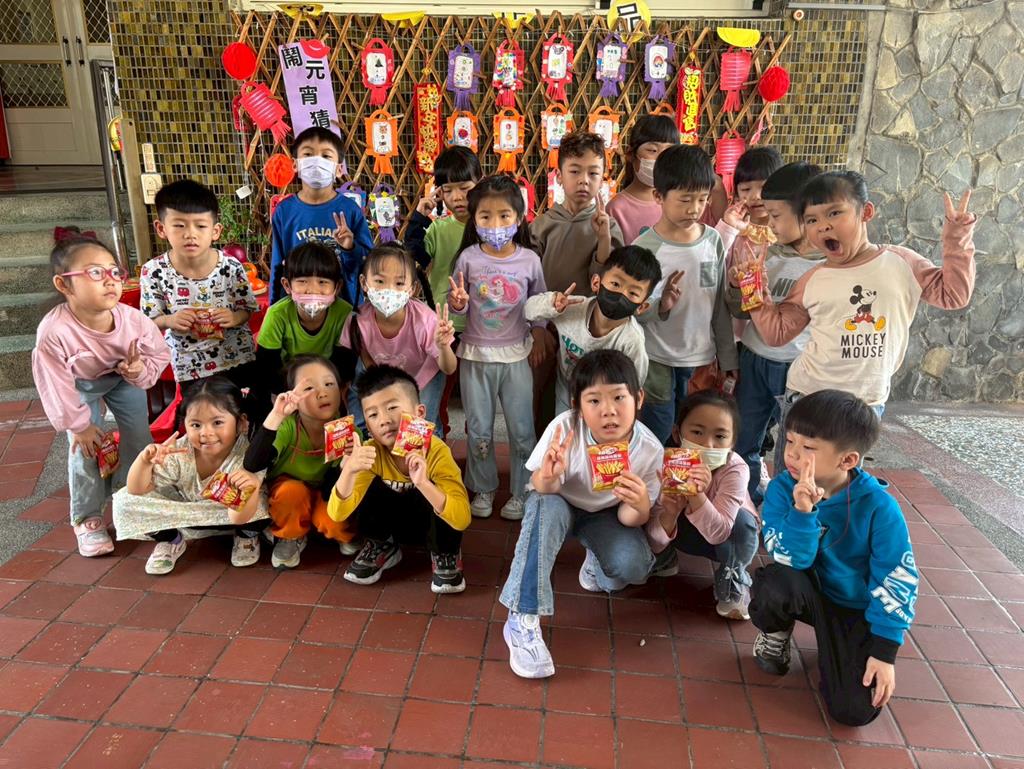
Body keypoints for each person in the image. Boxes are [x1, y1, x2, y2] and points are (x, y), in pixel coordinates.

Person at [745, 171, 976, 477]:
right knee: (792, 483)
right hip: (807, 397)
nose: (823, 225)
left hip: (864, 403)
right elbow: (777, 333)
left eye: (834, 213)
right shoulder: (813, 278)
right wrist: (756, 295)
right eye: (812, 219)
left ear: (866, 212)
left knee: (844, 486)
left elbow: (953, 294)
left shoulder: (901, 263)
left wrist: (957, 238)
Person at [750, 389, 917, 726]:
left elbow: (896, 578)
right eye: (790, 440)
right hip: (807, 590)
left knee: (853, 711)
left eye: (808, 447)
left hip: (857, 609)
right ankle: (776, 633)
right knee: (774, 582)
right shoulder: (782, 489)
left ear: (848, 460)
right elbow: (789, 559)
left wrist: (884, 652)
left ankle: (844, 650)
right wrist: (802, 512)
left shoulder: (880, 508)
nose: (792, 454)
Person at [499, 350, 662, 679]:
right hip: (558, 503)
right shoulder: (564, 429)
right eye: (594, 400)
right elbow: (541, 487)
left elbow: (629, 519)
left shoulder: (649, 450)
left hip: (605, 515)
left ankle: (594, 561)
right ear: (577, 405)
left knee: (634, 567)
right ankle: (522, 617)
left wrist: (641, 505)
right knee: (543, 504)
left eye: (619, 397)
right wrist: (548, 475)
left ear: (638, 398)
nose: (608, 411)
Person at [32, 237, 171, 558]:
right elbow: (54, 384)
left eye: (113, 271)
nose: (110, 280)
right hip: (78, 385)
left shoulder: (133, 320)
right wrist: (79, 425)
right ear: (63, 285)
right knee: (85, 448)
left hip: (122, 378)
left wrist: (138, 370)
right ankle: (87, 517)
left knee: (139, 438)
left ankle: (132, 498)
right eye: (95, 273)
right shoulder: (54, 331)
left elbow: (158, 355)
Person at [447, 175, 546, 521]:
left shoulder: (529, 260)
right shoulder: (468, 258)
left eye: (504, 215)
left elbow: (538, 302)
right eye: (485, 216)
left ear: (519, 218)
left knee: (522, 429)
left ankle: (522, 491)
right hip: (476, 355)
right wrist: (458, 303)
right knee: (479, 429)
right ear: (474, 220)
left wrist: (539, 333)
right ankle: (484, 487)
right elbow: (458, 305)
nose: (495, 224)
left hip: (517, 355)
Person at [725, 161, 824, 505]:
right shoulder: (764, 251)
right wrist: (738, 287)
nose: (770, 223)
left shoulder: (827, 266)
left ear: (806, 212)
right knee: (744, 439)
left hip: (797, 367)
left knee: (795, 448)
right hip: (754, 358)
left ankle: (789, 510)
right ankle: (745, 502)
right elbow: (741, 310)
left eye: (777, 215)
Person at [327, 365, 471, 593]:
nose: (384, 420)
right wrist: (349, 471)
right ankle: (382, 544)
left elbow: (462, 519)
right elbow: (337, 514)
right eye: (373, 415)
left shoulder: (437, 451)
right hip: (392, 524)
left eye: (392, 407)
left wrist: (423, 483)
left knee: (438, 490)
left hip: (429, 526)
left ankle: (446, 553)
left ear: (419, 413)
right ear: (367, 424)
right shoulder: (370, 452)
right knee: (361, 478)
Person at [633, 145, 739, 444]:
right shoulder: (644, 248)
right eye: (685, 199)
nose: (694, 208)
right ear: (659, 196)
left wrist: (727, 356)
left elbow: (718, 305)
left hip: (701, 359)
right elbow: (633, 311)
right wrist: (660, 305)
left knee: (694, 433)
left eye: (702, 199)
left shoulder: (712, 241)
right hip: (657, 358)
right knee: (657, 431)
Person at [113, 377, 269, 574]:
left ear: (241, 423)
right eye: (196, 425)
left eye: (217, 422)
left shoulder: (248, 454)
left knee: (261, 501)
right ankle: (171, 540)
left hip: (234, 516)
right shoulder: (179, 450)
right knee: (123, 500)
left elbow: (239, 516)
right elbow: (137, 489)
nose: (206, 433)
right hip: (189, 512)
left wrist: (250, 487)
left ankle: (246, 536)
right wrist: (144, 461)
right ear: (184, 424)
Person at [530, 131, 624, 433]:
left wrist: (603, 238)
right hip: (547, 325)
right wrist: (537, 327)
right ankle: (544, 451)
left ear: (602, 178)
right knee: (541, 394)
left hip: (587, 328)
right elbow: (530, 282)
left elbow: (608, 280)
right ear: (559, 176)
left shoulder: (608, 226)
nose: (584, 180)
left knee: (585, 393)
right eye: (575, 171)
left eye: (593, 173)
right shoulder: (542, 225)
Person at [140, 179, 259, 400]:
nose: (190, 234)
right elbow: (149, 320)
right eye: (179, 225)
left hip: (237, 358)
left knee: (243, 410)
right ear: (161, 228)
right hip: (189, 364)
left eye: (200, 226)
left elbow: (247, 309)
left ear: (215, 231)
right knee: (200, 414)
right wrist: (170, 320)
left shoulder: (231, 267)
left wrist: (235, 317)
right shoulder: (154, 271)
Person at [647, 391, 759, 620]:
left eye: (720, 436)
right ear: (677, 433)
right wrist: (669, 514)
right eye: (697, 432)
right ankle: (665, 559)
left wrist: (697, 495)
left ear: (732, 443)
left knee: (743, 523)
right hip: (685, 533)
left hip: (726, 540)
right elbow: (652, 540)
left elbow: (719, 534)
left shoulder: (736, 468)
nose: (708, 444)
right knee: (650, 514)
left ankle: (732, 577)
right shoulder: (666, 464)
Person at [243, 355, 356, 569]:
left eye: (329, 384)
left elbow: (339, 488)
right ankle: (289, 535)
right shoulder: (287, 427)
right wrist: (276, 415)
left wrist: (346, 466)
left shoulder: (346, 430)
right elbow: (252, 464)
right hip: (288, 489)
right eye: (309, 388)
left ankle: (318, 524)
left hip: (325, 490)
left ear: (342, 390)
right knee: (292, 493)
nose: (322, 393)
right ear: (292, 396)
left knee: (336, 523)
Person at [524, 244, 661, 413]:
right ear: (596, 283)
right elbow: (528, 310)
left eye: (633, 293)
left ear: (642, 306)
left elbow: (634, 383)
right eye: (615, 284)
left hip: (602, 402)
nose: (621, 295)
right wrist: (552, 303)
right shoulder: (572, 308)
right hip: (565, 389)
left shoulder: (632, 341)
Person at [404, 146, 482, 436]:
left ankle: (478, 447)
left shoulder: (490, 227)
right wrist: (419, 218)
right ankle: (440, 443)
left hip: (482, 327)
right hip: (443, 326)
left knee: (479, 396)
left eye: (465, 188)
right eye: (448, 191)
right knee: (437, 394)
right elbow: (415, 256)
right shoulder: (438, 229)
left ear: (480, 183)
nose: (457, 197)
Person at [340, 244, 457, 434]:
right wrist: (384, 392)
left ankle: (433, 443)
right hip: (381, 373)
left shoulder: (425, 321)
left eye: (399, 283)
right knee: (363, 415)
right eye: (379, 281)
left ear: (412, 288)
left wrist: (443, 347)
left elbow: (449, 368)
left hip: (424, 375)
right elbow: (364, 357)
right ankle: (364, 440)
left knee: (421, 426)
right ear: (364, 283)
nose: (389, 290)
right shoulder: (358, 320)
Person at [269, 126, 373, 304]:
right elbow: (277, 265)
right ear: (295, 164)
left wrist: (349, 247)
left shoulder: (350, 210)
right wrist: (274, 307)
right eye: (308, 154)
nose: (317, 161)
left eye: (326, 156)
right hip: (299, 307)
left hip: (345, 306)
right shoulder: (284, 211)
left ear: (339, 169)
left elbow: (368, 262)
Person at [253, 241, 355, 408]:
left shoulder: (345, 315)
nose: (312, 290)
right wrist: (292, 396)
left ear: (337, 287)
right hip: (288, 384)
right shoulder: (277, 315)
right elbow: (266, 366)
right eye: (302, 281)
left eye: (322, 282)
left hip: (328, 384)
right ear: (287, 285)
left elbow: (344, 366)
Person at [606, 113, 680, 245]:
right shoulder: (616, 209)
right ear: (631, 154)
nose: (661, 159)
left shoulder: (679, 203)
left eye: (668, 151)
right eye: (653, 150)